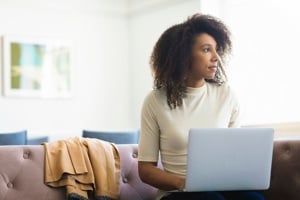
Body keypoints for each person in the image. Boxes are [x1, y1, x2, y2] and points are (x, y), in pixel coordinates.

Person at [138, 13, 265, 200]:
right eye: (207, 50)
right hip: (176, 193)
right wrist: (184, 183)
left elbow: (235, 155)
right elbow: (145, 170)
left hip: (220, 188)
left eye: (216, 50)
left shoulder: (226, 95)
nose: (216, 57)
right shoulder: (155, 101)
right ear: (183, 56)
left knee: (254, 198)